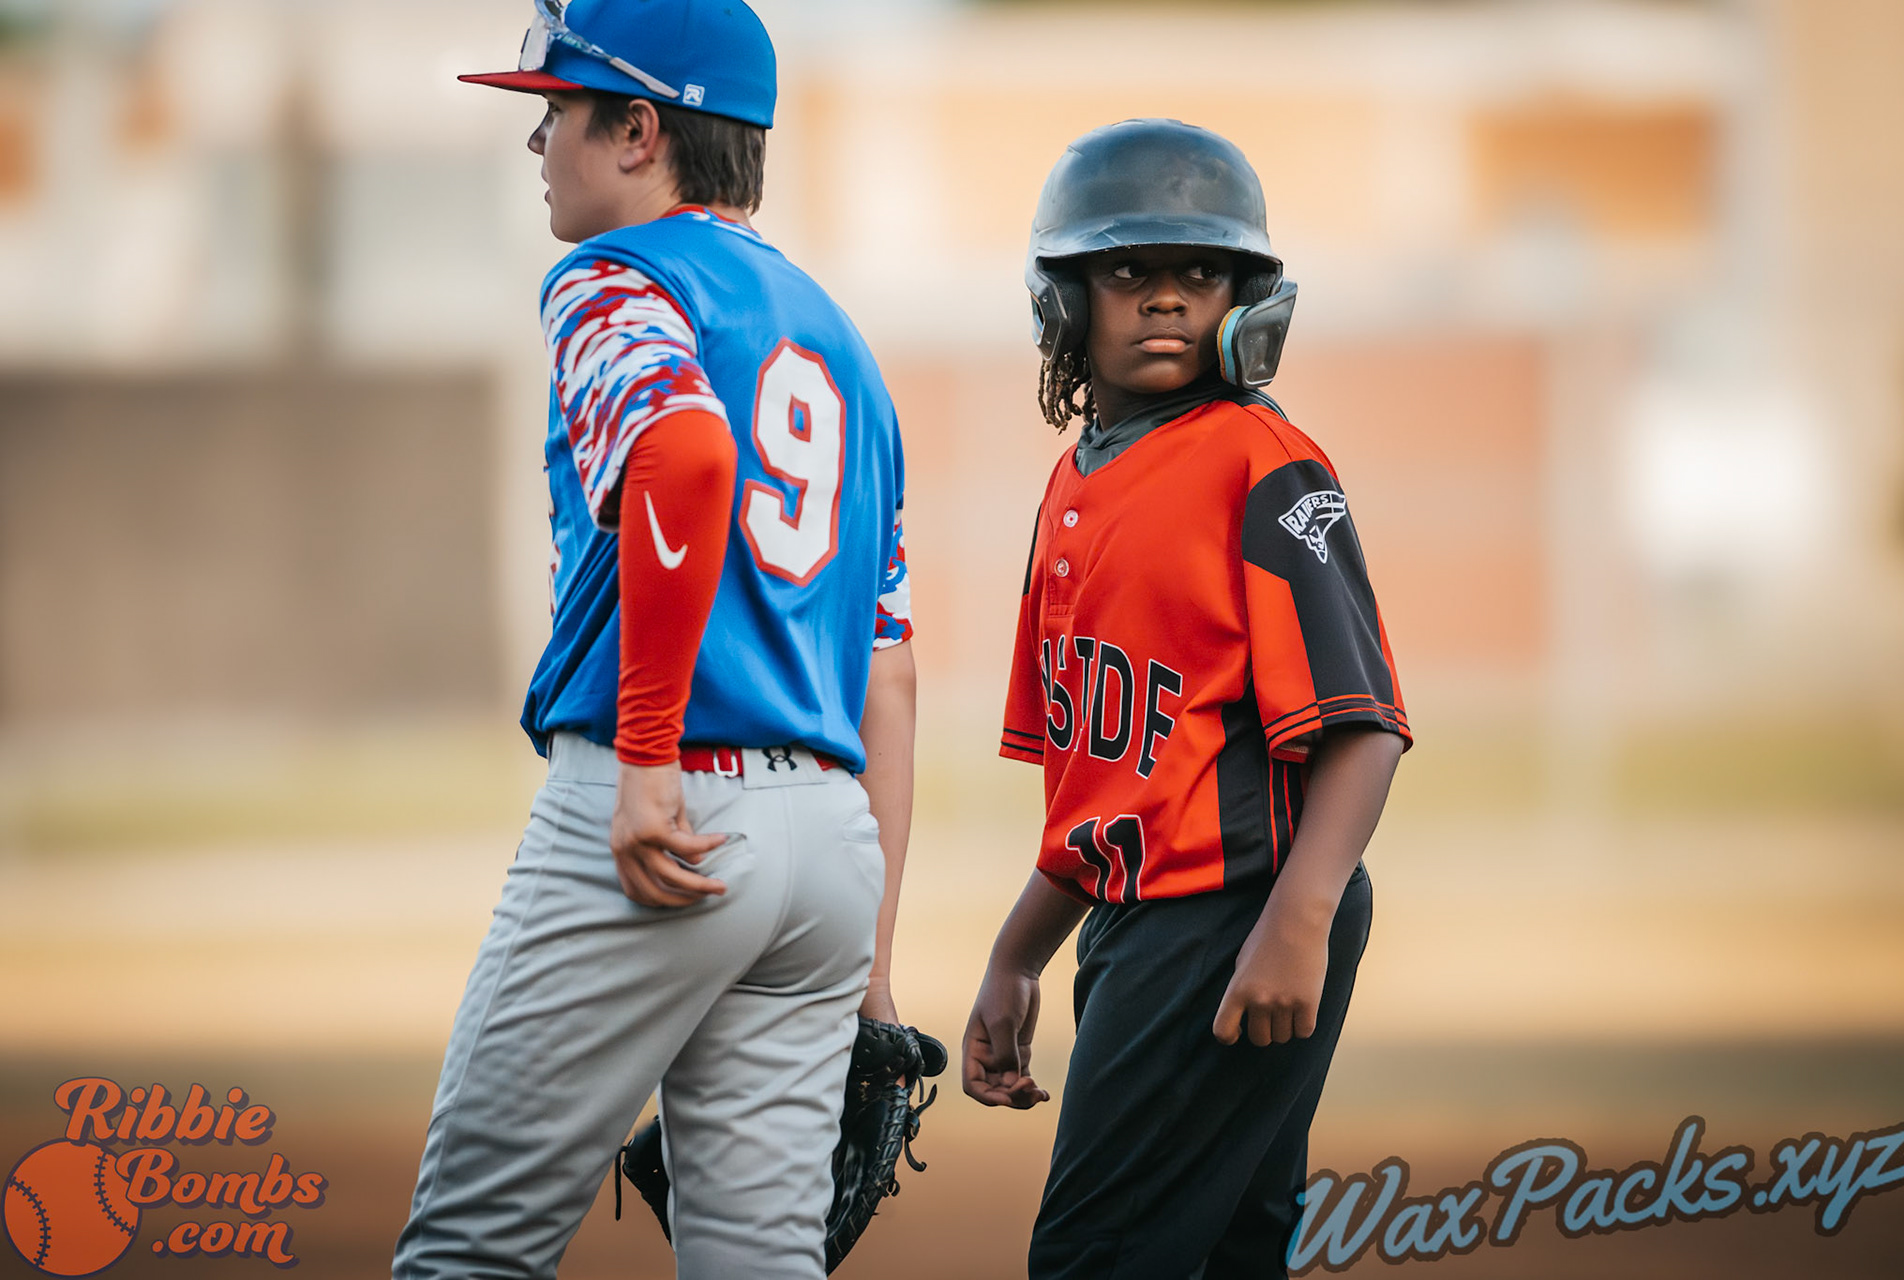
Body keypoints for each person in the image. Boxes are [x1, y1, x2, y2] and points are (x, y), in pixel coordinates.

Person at [394, 2, 916, 1277]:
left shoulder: (618, 276)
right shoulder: (843, 342)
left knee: (469, 1245)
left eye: (559, 110)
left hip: (668, 815)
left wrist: (644, 760)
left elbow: (683, 454)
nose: (538, 141)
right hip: (829, 852)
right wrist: (872, 965)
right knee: (760, 1261)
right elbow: (890, 667)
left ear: (639, 130)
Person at [961, 118, 1412, 1279]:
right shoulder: (1074, 484)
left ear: (1244, 300)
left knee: (1093, 1257)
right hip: (1149, 917)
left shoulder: (1260, 459)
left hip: (1236, 909)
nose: (1166, 297)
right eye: (1128, 270)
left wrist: (1298, 918)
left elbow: (1363, 727)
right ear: (1065, 299)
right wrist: (1018, 955)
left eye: (1201, 271)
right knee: (1224, 1256)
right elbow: (1116, 798)